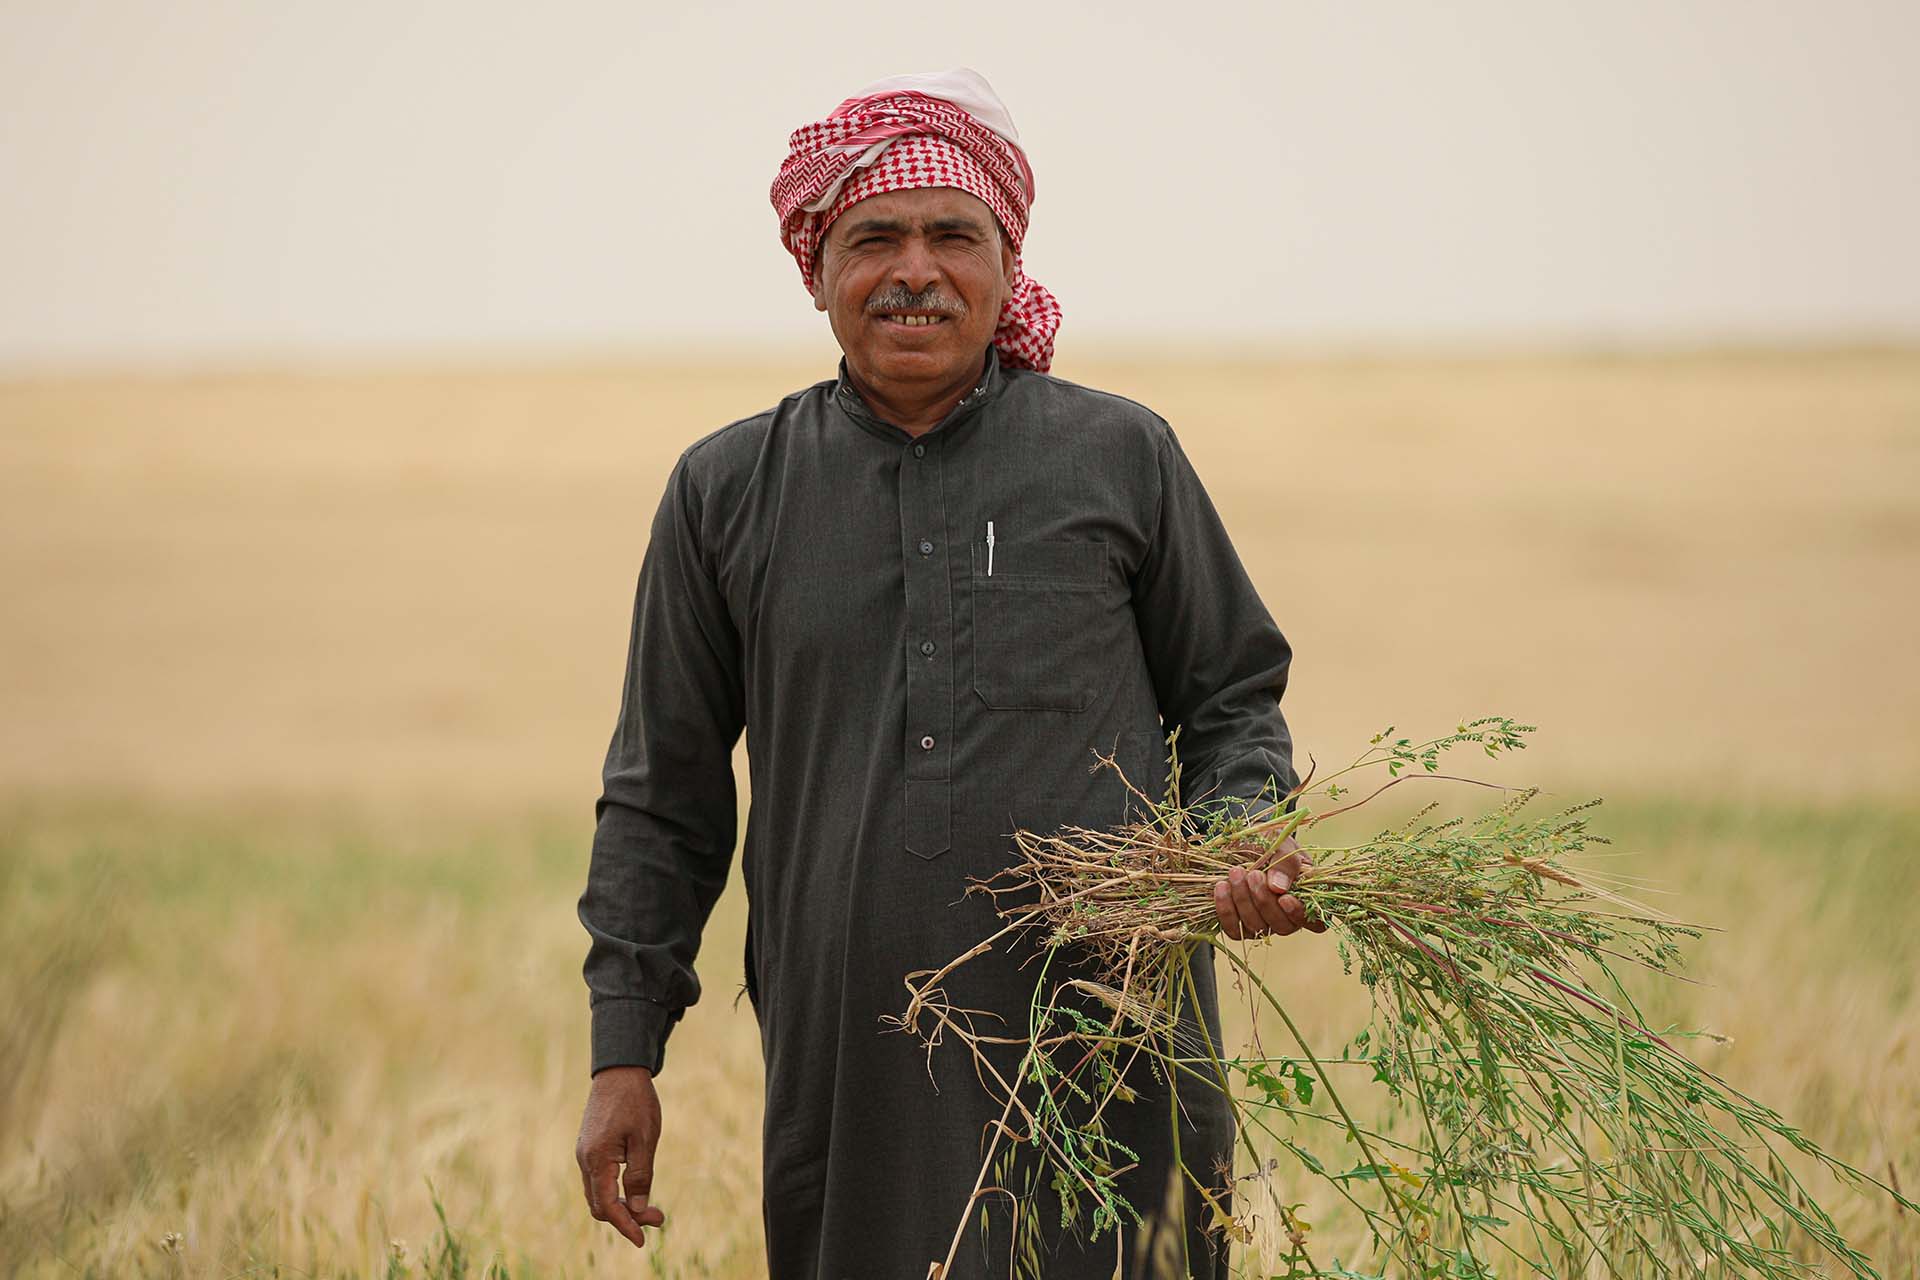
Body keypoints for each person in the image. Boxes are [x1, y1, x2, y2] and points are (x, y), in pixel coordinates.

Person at [574, 68, 1319, 1280]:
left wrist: (1239, 836)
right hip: (852, 1068)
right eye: (874, 238)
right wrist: (624, 1051)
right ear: (817, 268)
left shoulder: (1121, 455)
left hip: (1111, 1046)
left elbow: (1233, 696)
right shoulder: (726, 491)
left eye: (953, 236)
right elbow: (662, 796)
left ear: (1009, 265)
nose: (914, 270)